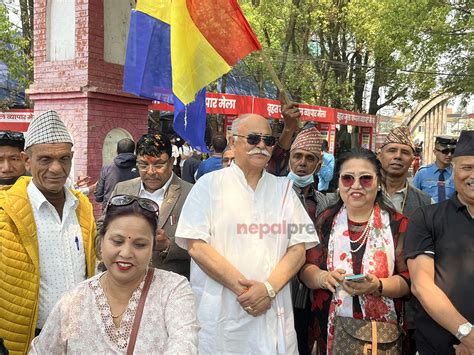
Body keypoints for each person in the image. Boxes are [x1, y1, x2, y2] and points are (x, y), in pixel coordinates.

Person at [175, 114, 318, 354]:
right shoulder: (208, 186)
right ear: (232, 142)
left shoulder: (283, 191)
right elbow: (197, 246)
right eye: (253, 139)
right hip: (223, 311)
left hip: (271, 311)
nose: (261, 146)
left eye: (268, 140)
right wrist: (247, 292)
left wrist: (268, 289)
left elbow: (298, 248)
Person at [29, 194, 199, 353]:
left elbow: (185, 344)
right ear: (101, 242)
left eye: (140, 244)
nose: (126, 253)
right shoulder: (75, 301)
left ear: (153, 247)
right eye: (117, 241)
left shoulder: (172, 290)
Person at [0, 110, 96, 355]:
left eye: (64, 158)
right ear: (27, 160)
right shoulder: (5, 211)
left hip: (78, 338)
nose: (56, 169)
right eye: (45, 159)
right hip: (26, 342)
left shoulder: (82, 207)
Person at [300, 148, 410, 354]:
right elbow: (306, 268)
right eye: (347, 178)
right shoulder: (325, 220)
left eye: (366, 179)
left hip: (381, 336)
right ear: (339, 182)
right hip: (328, 327)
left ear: (378, 183)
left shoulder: (398, 224)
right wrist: (323, 277)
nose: (356, 186)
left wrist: (378, 286)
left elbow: (408, 279)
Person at [405, 130, 474, 355]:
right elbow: (421, 285)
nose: (473, 176)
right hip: (438, 345)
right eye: (467, 168)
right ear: (454, 170)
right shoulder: (426, 217)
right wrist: (467, 334)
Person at [107, 133, 192, 279]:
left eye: (159, 165)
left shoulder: (190, 193)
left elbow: (204, 246)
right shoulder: (122, 189)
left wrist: (168, 245)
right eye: (144, 165)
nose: (151, 172)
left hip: (170, 287)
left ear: (171, 162)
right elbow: (102, 229)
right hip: (125, 285)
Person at [286, 127, 330, 355]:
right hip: (280, 289)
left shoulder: (325, 202)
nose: (302, 162)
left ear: (318, 165)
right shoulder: (275, 194)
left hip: (311, 293)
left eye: (309, 158)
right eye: (297, 156)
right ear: (290, 159)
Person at [378, 126, 432, 216]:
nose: (398, 156)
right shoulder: (363, 192)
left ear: (413, 160)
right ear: (379, 156)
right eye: (392, 151)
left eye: (405, 152)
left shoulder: (426, 202)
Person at [94, 137, 139, 210]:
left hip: (111, 212)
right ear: (133, 151)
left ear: (117, 151)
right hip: (134, 212)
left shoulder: (107, 169)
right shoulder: (141, 169)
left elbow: (98, 196)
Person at [413, 136, 457, 203]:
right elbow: (413, 197)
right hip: (428, 212)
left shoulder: (457, 173)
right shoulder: (422, 173)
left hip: (450, 212)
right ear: (435, 152)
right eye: (445, 151)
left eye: (452, 151)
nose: (449, 155)